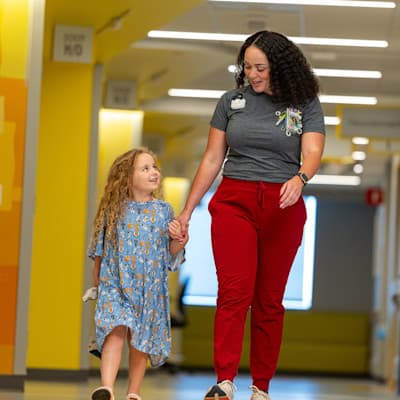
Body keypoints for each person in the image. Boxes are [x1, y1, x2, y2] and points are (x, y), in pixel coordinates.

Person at [175, 30, 325, 400]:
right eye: (247, 67)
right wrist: (188, 209)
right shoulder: (231, 101)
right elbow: (212, 158)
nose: (253, 74)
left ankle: (261, 386)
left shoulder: (304, 103)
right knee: (233, 293)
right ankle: (224, 380)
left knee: (269, 300)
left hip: (283, 206)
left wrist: (301, 177)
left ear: (281, 67)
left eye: (260, 67)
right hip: (234, 202)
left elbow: (313, 151)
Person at [88, 148, 187, 400]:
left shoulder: (164, 211)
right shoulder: (113, 210)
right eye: (145, 168)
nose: (154, 172)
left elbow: (170, 255)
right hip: (116, 285)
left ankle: (133, 392)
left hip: (149, 289)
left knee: (140, 342)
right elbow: (100, 248)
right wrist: (97, 279)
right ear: (127, 177)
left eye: (155, 167)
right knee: (115, 332)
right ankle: (107, 387)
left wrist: (180, 239)